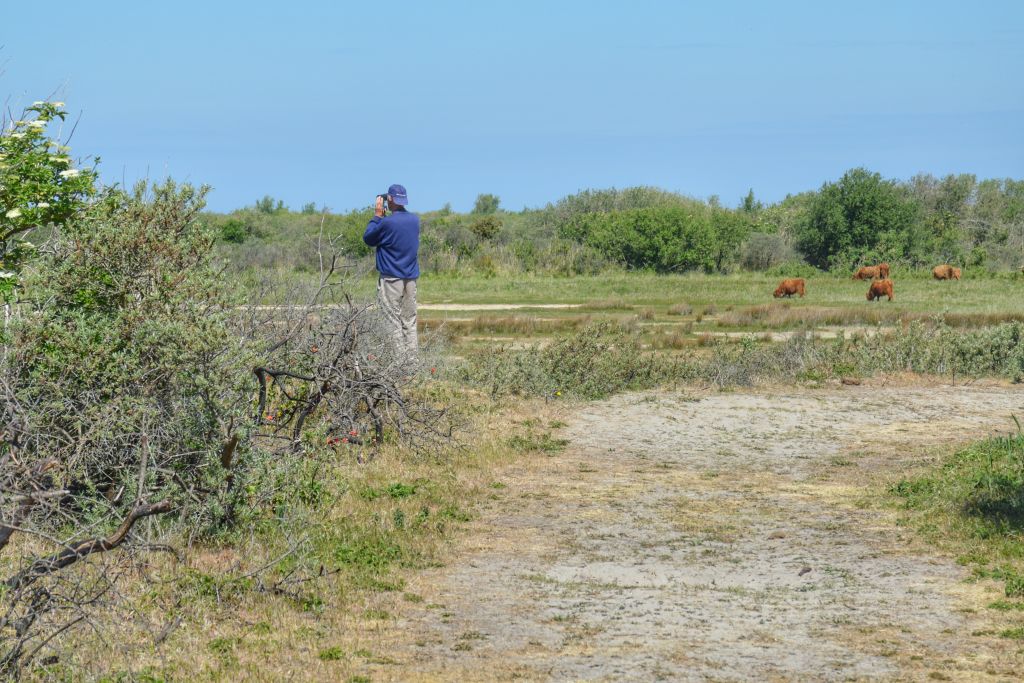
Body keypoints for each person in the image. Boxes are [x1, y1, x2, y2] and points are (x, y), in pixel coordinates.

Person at [363, 183, 420, 356]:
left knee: (392, 320)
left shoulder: (386, 223)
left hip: (391, 278)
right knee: (409, 320)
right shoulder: (415, 220)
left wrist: (377, 216)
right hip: (410, 278)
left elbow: (368, 238)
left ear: (390, 199)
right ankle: (411, 363)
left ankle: (399, 364)